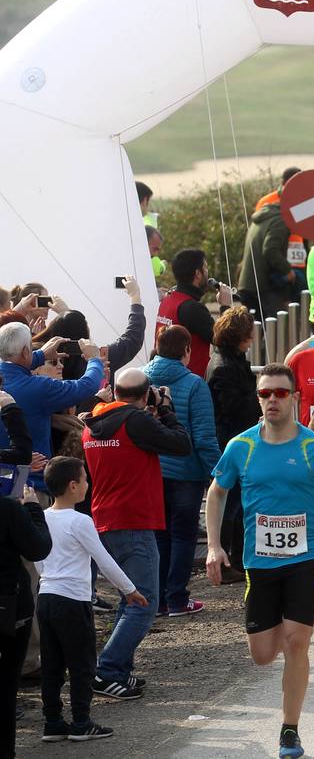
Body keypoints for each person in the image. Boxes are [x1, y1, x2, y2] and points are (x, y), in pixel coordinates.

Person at [205, 364, 314, 759]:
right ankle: (287, 655)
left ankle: (290, 729)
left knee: (297, 642)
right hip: (260, 561)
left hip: (307, 556)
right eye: (265, 393)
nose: (272, 399)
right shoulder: (242, 446)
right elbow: (217, 493)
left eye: (280, 393)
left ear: (295, 398)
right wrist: (214, 546)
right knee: (263, 654)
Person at [81, 367, 190, 699]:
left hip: (105, 521)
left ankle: (119, 671)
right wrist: (167, 410)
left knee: (129, 598)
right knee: (144, 601)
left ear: (114, 393)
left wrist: (148, 412)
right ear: (145, 397)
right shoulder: (136, 421)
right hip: (135, 522)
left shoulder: (93, 423)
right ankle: (107, 670)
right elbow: (181, 445)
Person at [37, 457, 147, 743]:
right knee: (81, 662)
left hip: (46, 596)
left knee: (51, 663)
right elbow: (104, 560)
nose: (88, 484)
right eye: (85, 480)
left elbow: (37, 556)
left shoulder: (42, 517)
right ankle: (81, 721)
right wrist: (129, 589)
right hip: (73, 599)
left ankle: (52, 722)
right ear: (73, 486)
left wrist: (46, 578)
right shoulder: (80, 521)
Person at [143, 325, 220, 617]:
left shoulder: (140, 377)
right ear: (187, 350)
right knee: (183, 535)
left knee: (158, 536)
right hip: (186, 472)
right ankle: (176, 599)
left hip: (149, 471)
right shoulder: (195, 384)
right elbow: (203, 436)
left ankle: (159, 600)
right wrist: (219, 473)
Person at [0, 324, 104, 471]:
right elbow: (86, 387)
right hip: (31, 484)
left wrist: (40, 355)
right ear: (25, 352)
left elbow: (11, 367)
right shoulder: (38, 387)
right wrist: (94, 359)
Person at [206, 306, 261, 580]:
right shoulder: (226, 368)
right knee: (231, 504)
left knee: (237, 503)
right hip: (231, 440)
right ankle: (228, 560)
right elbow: (232, 409)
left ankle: (236, 558)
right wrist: (258, 399)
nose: (252, 339)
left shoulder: (228, 360)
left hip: (235, 438)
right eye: (249, 335)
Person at [0, 469, 49, 759]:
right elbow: (39, 547)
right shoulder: (8, 508)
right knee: (6, 685)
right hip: (8, 609)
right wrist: (32, 509)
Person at [157, 249, 234, 378]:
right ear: (198, 273)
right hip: (191, 386)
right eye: (206, 268)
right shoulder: (191, 308)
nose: (207, 274)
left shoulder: (167, 300)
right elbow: (225, 341)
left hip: (168, 379)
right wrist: (225, 307)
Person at [238, 196, 297, 320]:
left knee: (257, 331)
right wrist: (287, 270)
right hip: (264, 286)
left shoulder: (264, 217)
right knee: (278, 328)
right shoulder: (280, 221)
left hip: (248, 283)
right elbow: (270, 250)